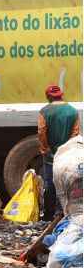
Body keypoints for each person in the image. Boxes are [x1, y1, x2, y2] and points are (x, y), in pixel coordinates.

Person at [38, 85, 81, 220]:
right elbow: (75, 133)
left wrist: (45, 149)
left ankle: (49, 215)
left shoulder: (44, 111)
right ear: (61, 95)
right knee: (68, 182)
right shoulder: (73, 111)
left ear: (48, 97)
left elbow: (42, 131)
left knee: (50, 183)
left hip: (51, 156)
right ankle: (65, 212)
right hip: (67, 154)